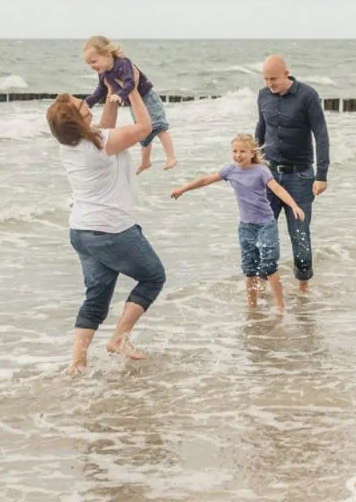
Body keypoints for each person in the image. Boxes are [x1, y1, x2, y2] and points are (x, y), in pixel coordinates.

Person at [46, 86, 166, 374]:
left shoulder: (70, 144)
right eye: (81, 104)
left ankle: (77, 363)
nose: (86, 102)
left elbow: (105, 129)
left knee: (96, 299)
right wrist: (135, 90)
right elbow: (144, 127)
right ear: (78, 118)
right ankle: (119, 338)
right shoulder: (99, 144)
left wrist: (112, 97)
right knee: (153, 277)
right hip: (110, 231)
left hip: (81, 232)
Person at [171, 134, 305, 315]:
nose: (238, 155)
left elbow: (278, 189)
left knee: (268, 266)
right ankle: (252, 306)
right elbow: (204, 180)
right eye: (235, 151)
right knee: (249, 269)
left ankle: (280, 306)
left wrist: (294, 206)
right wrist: (183, 189)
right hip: (246, 226)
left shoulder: (261, 171)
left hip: (265, 224)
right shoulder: (230, 171)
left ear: (252, 153)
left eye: (242, 151)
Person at [255, 55, 330, 293]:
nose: (269, 84)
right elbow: (261, 128)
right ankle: (264, 285)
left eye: (274, 78)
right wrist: (253, 164)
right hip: (268, 175)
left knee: (299, 234)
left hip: (300, 176)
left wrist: (322, 174)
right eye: (266, 79)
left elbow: (321, 134)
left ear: (286, 73)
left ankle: (303, 287)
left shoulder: (307, 95)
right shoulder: (263, 95)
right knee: (264, 231)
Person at [82, 35, 177, 174]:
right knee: (143, 132)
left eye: (94, 61)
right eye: (88, 63)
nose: (92, 66)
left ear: (107, 55)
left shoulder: (122, 63)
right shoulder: (103, 72)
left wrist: (120, 95)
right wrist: (87, 103)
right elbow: (101, 90)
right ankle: (145, 162)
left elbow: (130, 82)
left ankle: (171, 157)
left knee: (158, 126)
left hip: (147, 97)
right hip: (133, 102)